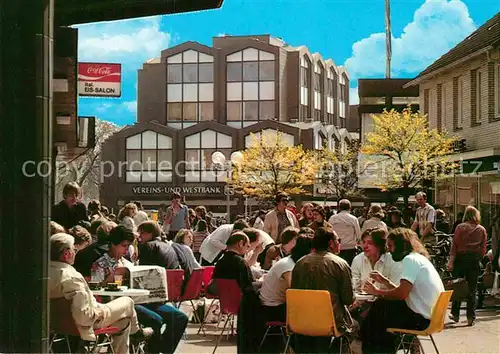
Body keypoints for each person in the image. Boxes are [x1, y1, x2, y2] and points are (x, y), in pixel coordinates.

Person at [49, 233, 152, 354]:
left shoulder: (45, 272)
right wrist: (97, 313)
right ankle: (137, 332)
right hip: (86, 321)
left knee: (124, 322)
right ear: (66, 254)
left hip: (56, 323)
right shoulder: (71, 276)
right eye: (74, 250)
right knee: (127, 302)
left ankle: (133, 335)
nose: (75, 253)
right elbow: (83, 316)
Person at [361, 228, 444, 354]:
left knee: (378, 311)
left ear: (400, 245)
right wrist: (385, 282)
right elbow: (405, 290)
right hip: (430, 317)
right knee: (379, 314)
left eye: (390, 246)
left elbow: (401, 294)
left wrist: (377, 292)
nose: (388, 249)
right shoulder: (419, 258)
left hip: (422, 320)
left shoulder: (410, 260)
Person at [291, 228, 354, 352]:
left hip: (301, 322)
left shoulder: (300, 263)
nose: (339, 243)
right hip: (330, 324)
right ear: (331, 243)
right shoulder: (339, 264)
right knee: (355, 326)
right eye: (338, 240)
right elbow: (348, 299)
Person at [259, 232, 314, 322]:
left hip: (276, 305)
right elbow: (294, 290)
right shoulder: (288, 266)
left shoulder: (291, 261)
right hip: (272, 309)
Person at [447, 206, 487, 326]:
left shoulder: (460, 227)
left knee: (458, 285)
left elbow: (454, 246)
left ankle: (455, 313)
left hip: (460, 259)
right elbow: (483, 249)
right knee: (472, 288)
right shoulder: (481, 229)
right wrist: (478, 258)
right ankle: (471, 317)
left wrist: (451, 261)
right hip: (473, 259)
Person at [351, 228, 401, 292]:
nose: (365, 246)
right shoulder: (357, 260)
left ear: (379, 245)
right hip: (363, 300)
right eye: (363, 242)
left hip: (388, 300)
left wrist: (384, 282)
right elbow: (354, 287)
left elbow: (398, 292)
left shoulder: (392, 260)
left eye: (369, 243)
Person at [328, 199, 361, 265]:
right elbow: (358, 235)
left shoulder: (332, 218)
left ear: (339, 207)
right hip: (350, 248)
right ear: (350, 207)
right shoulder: (353, 219)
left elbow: (329, 232)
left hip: (336, 248)